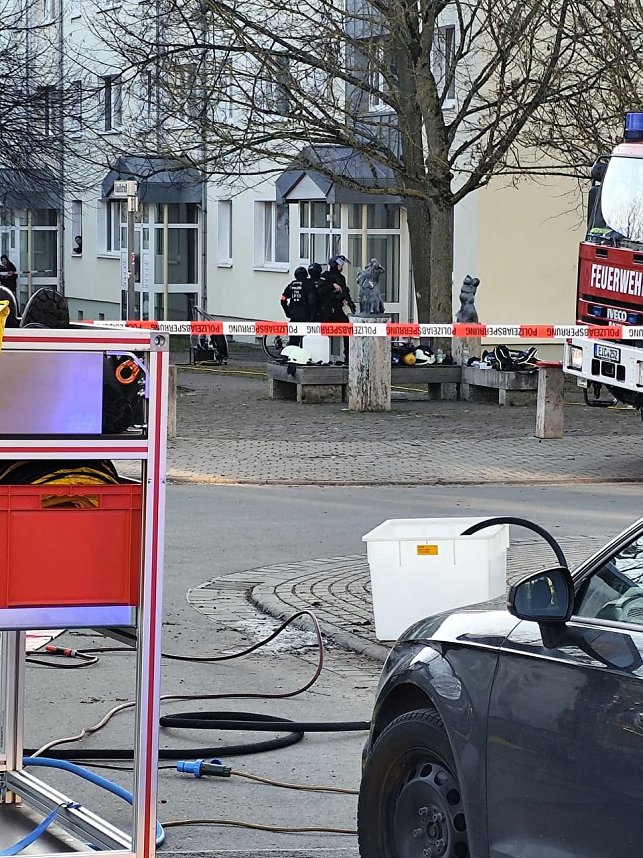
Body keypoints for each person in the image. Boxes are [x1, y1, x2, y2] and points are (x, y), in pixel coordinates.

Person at [319, 255, 356, 363]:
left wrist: (350, 303)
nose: (342, 267)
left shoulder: (341, 278)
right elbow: (320, 291)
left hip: (337, 308)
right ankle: (322, 357)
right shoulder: (325, 276)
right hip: (325, 309)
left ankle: (347, 357)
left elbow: (345, 292)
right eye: (340, 264)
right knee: (323, 333)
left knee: (347, 329)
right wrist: (332, 286)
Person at [280, 266, 317, 346]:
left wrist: (287, 312)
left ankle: (289, 356)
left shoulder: (292, 285)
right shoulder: (308, 285)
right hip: (305, 315)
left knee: (293, 340)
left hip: (293, 315)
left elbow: (283, 299)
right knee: (306, 340)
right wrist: (312, 315)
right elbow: (312, 301)